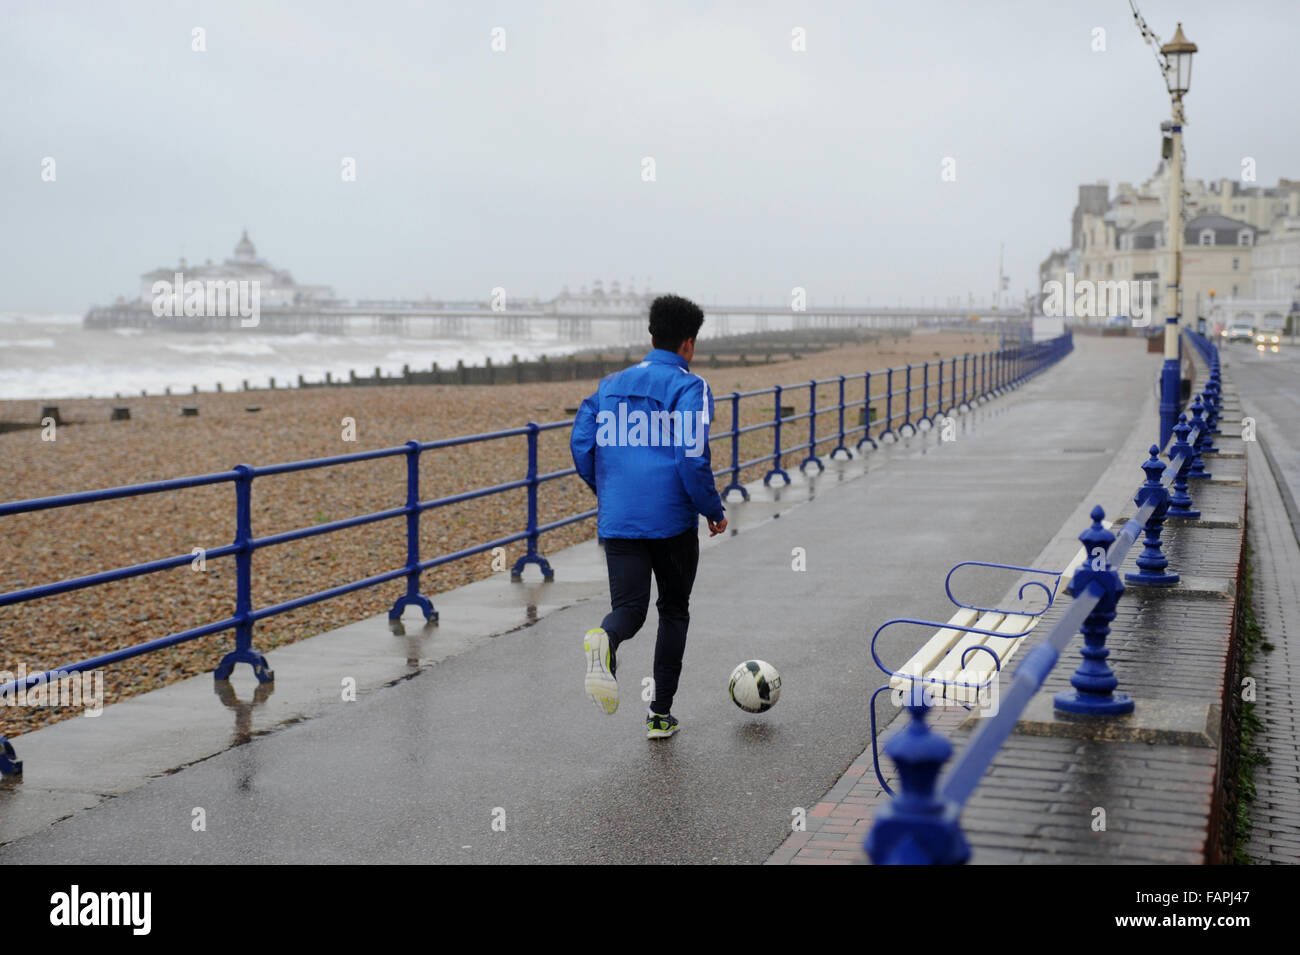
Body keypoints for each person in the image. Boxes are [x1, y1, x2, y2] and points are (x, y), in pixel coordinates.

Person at [570, 294, 727, 739]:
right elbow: (692, 457)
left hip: (620, 518)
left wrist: (610, 491)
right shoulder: (689, 386)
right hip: (672, 522)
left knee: (629, 609)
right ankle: (659, 714)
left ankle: (607, 638)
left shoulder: (609, 385)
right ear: (688, 345)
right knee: (673, 610)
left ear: (652, 335)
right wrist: (712, 509)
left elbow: (581, 447)